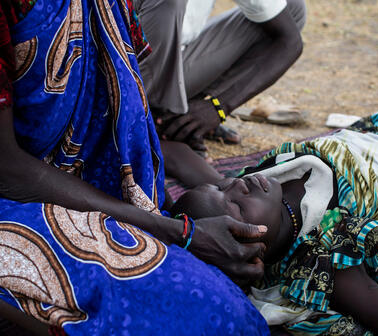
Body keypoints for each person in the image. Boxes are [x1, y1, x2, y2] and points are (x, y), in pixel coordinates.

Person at [167, 49, 378, 336]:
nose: (236, 184)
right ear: (251, 256)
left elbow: (175, 153)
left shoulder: (254, 187)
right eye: (235, 208)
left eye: (221, 185)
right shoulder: (324, 257)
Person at [0, 1, 270, 334]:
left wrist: (165, 220)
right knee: (208, 310)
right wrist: (177, 233)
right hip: (16, 193)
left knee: (225, 307)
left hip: (78, 189)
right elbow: (7, 170)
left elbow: (122, 113)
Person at [132, 0, 306, 157]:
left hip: (172, 60)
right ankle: (153, 118)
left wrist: (217, 106)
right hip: (120, 73)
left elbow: (290, 41)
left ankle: (181, 118)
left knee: (290, 9)